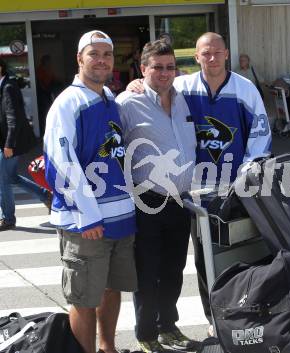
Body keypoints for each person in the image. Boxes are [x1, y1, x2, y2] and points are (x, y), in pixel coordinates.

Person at [127, 31, 271, 334]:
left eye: (218, 52)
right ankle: (214, 320)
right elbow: (155, 90)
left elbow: (259, 138)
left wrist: (246, 179)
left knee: (246, 254)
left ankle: (249, 315)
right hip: (194, 194)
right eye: (206, 53)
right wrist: (136, 84)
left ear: (227, 54)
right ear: (196, 57)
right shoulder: (183, 87)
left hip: (237, 190)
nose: (212, 58)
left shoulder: (245, 90)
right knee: (205, 261)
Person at [43, 30, 137, 353]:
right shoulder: (67, 104)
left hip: (120, 218)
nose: (101, 60)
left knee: (111, 289)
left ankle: (107, 347)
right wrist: (87, 215)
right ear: (79, 59)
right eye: (93, 54)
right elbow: (61, 163)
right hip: (87, 225)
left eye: (107, 54)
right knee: (84, 297)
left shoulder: (110, 98)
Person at [116, 39, 197, 353]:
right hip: (146, 200)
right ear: (143, 68)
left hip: (180, 198)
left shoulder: (181, 100)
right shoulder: (127, 102)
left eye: (170, 67)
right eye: (157, 67)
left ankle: (168, 327)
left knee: (174, 269)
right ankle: (146, 333)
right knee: (148, 271)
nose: (164, 73)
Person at [0, 58, 51, 231]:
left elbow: (13, 119)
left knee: (3, 180)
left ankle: (8, 218)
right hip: (7, 142)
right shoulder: (4, 86)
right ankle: (45, 195)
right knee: (10, 177)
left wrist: (9, 145)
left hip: (10, 144)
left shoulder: (8, 87)